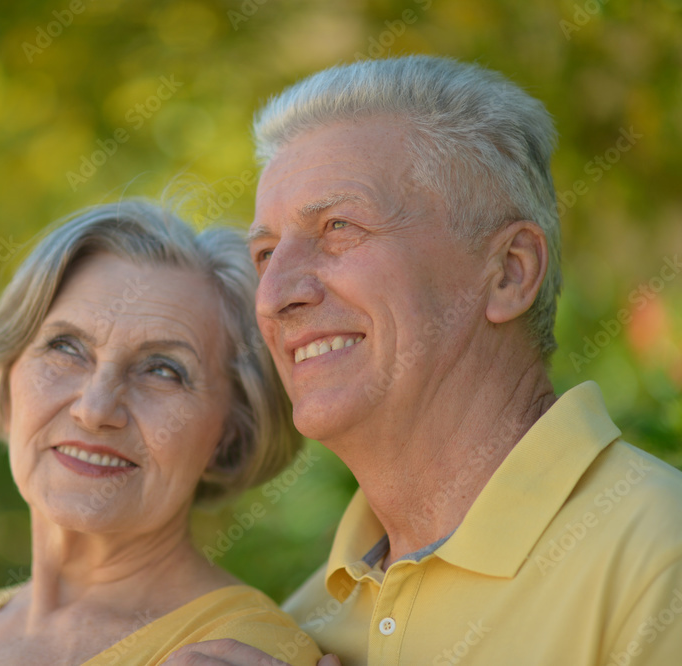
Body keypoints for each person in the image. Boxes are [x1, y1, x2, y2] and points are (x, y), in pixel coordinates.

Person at [167, 56, 682, 665]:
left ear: (509, 272)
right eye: (265, 253)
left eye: (338, 226)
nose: (276, 296)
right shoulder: (300, 630)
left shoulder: (660, 554)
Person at [0, 200, 323, 665]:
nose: (96, 409)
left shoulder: (247, 649)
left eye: (163, 370)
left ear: (231, 431)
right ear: (8, 377)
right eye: (66, 347)